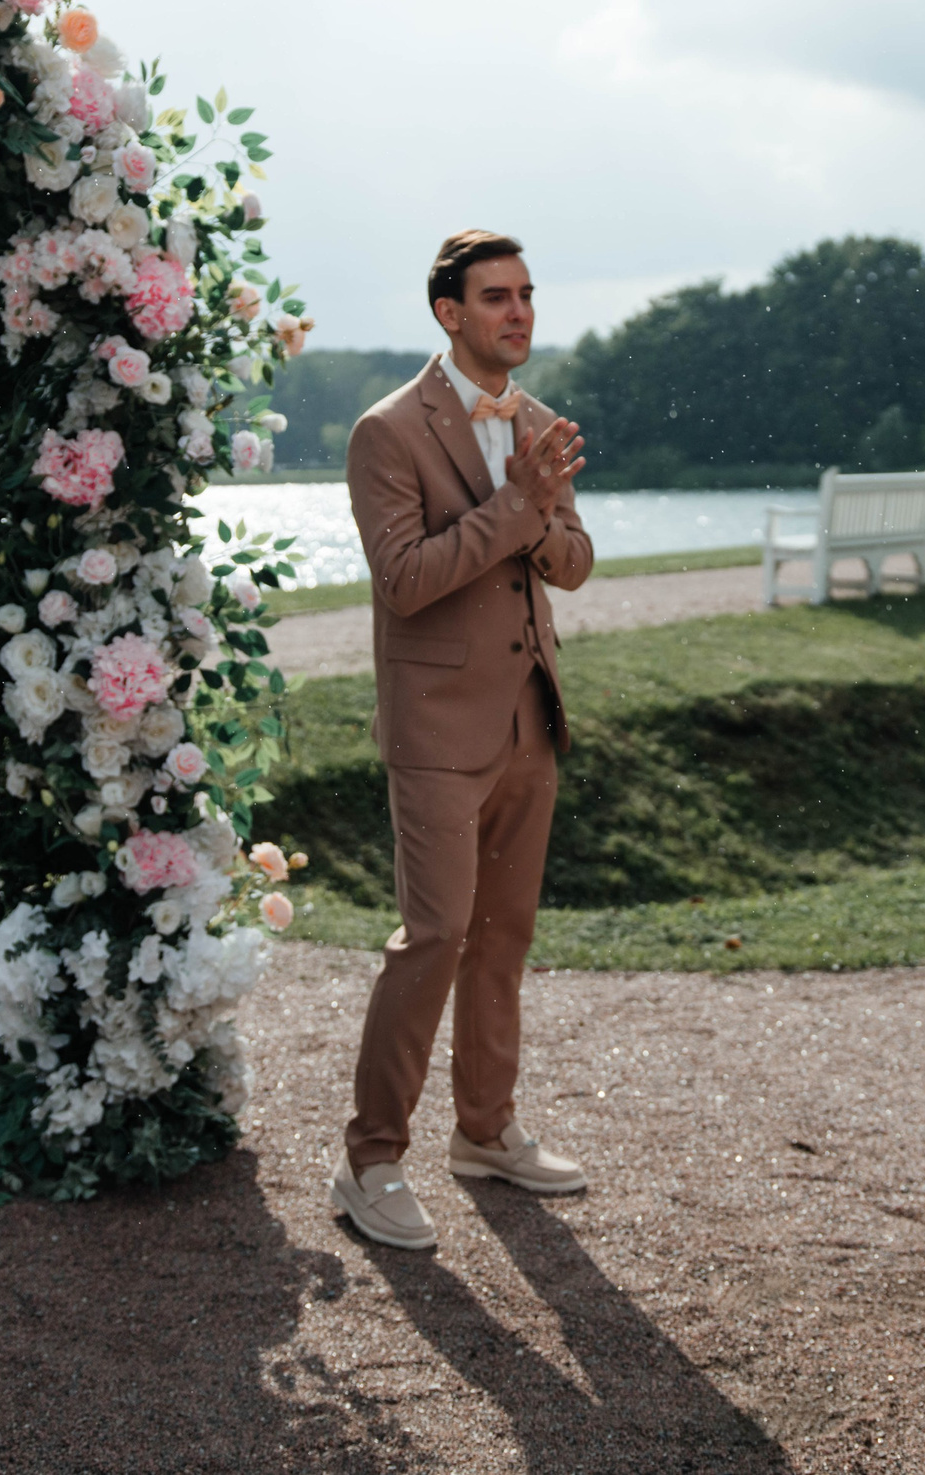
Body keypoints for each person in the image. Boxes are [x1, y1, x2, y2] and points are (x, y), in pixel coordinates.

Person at [330, 230, 595, 1250]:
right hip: (436, 728)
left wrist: (537, 513)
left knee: (504, 938)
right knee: (434, 935)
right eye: (497, 297)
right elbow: (404, 581)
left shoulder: (537, 423)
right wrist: (516, 505)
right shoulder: (387, 432)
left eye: (527, 294)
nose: (519, 312)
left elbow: (571, 561)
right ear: (448, 312)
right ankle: (370, 1160)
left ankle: (485, 1133)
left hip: (531, 717)